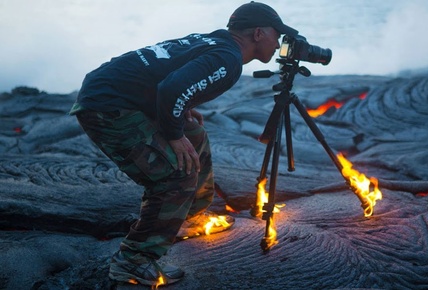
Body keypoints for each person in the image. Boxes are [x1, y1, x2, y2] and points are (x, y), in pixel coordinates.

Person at [69, 1, 298, 287]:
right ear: (258, 33)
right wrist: (174, 135)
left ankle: (189, 217)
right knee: (175, 175)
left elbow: (167, 75)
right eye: (277, 35)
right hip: (107, 106)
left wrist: (180, 110)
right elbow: (170, 88)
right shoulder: (228, 59)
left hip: (117, 93)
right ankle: (133, 261)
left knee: (195, 134)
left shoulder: (214, 40)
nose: (279, 44)